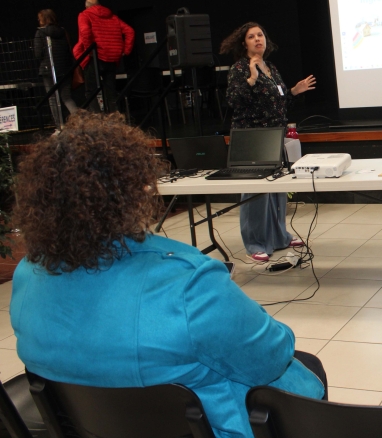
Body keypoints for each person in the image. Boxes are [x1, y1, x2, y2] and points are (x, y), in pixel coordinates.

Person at [10, 112, 327, 438]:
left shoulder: (28, 274)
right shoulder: (188, 283)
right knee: (306, 368)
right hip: (205, 426)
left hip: (89, 425)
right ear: (136, 189)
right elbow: (271, 357)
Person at [220, 22, 316, 262]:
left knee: (277, 189)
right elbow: (233, 100)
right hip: (252, 138)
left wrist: (294, 91)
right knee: (257, 191)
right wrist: (251, 78)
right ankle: (255, 243)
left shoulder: (271, 67)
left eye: (260, 35)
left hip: (274, 135)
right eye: (251, 37)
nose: (257, 39)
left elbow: (278, 102)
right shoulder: (240, 68)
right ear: (244, 43)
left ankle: (280, 236)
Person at [72, 0, 134, 112]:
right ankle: (114, 120)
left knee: (91, 91)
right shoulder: (113, 17)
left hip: (95, 58)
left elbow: (85, 32)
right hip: (112, 58)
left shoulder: (84, 15)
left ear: (87, 6)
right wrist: (126, 50)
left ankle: (98, 119)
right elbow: (129, 31)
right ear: (99, 5)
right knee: (110, 92)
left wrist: (90, 51)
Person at [33, 9, 79, 124]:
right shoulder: (63, 31)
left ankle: (60, 126)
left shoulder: (40, 33)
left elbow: (38, 54)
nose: (38, 20)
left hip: (48, 70)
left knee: (52, 99)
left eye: (40, 18)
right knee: (67, 98)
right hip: (65, 69)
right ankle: (82, 122)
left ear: (44, 19)